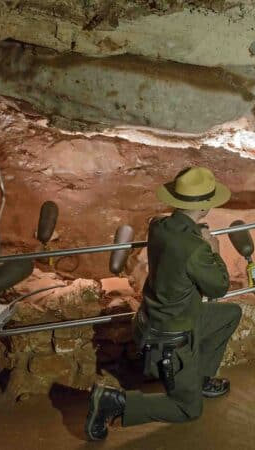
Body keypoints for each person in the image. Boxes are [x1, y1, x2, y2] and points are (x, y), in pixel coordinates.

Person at [85, 167, 242, 441]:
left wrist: (198, 238)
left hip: (158, 316)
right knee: (188, 409)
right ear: (204, 208)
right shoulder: (196, 249)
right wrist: (213, 251)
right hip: (173, 334)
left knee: (229, 315)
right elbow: (218, 286)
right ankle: (114, 401)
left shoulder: (158, 225)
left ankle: (199, 379)